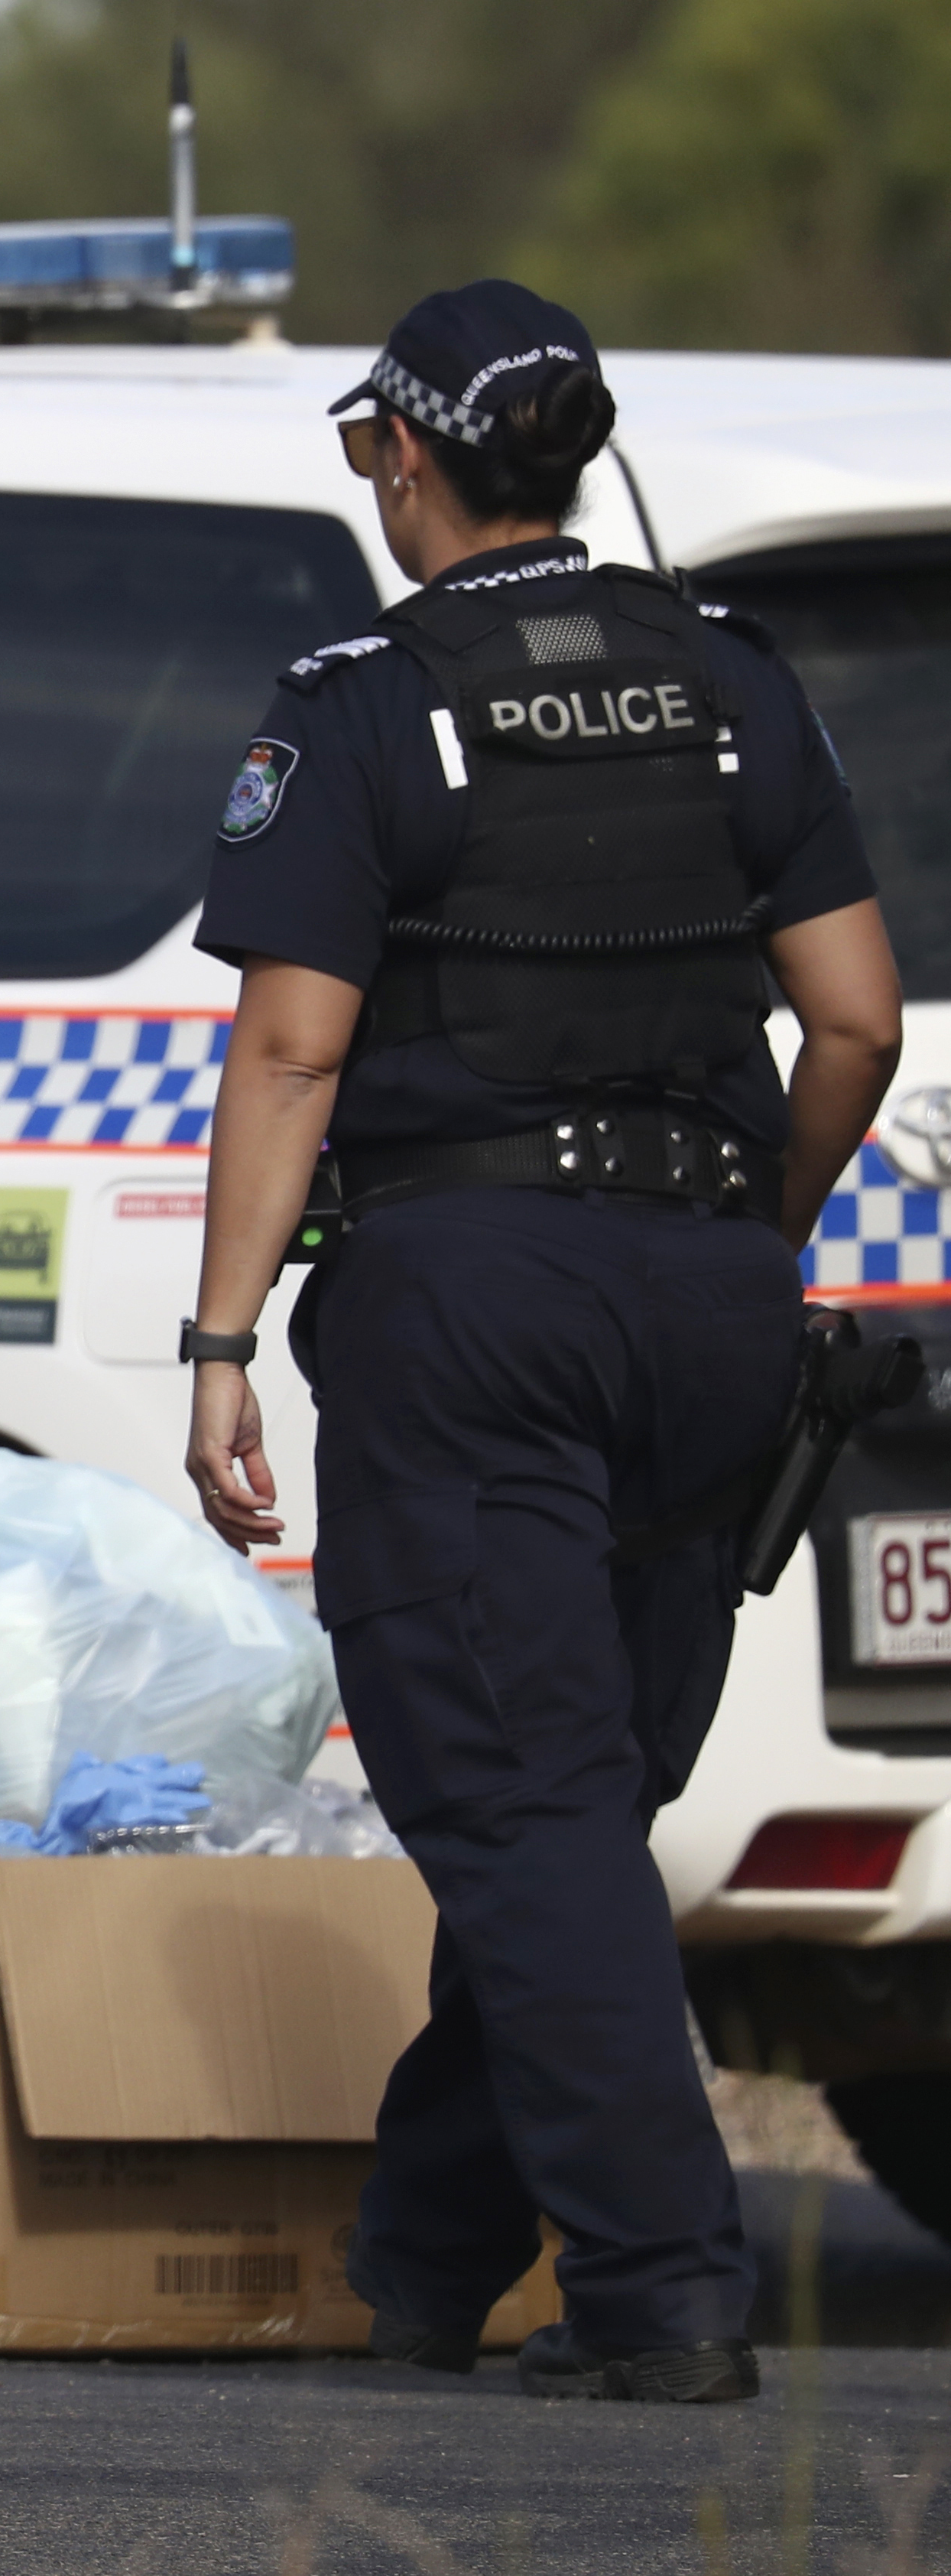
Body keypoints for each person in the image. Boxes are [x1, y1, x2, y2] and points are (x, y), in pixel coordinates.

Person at [182, 281, 901, 2404]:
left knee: (519, 1803)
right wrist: (753, 1241)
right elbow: (851, 1016)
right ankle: (425, 2254)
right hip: (709, 1293)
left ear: (409, 457)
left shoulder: (364, 704)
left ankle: (667, 2293)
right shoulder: (735, 683)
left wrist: (222, 1340)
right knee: (570, 1795)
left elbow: (293, 1054)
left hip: (476, 1297)